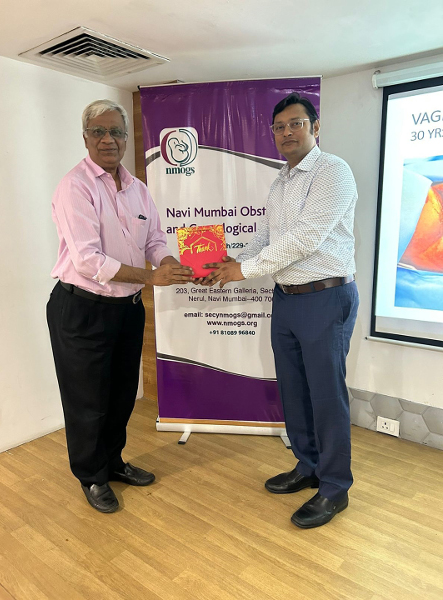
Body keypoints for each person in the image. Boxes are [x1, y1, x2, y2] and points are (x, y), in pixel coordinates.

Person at [203, 92, 359, 529]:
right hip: (287, 298)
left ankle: (335, 487)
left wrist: (242, 270)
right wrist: (229, 261)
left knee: (326, 395)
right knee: (294, 390)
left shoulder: (333, 171)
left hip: (325, 297)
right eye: (279, 127)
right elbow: (267, 238)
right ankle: (308, 466)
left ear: (315, 127)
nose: (286, 132)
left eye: (296, 123)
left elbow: (305, 239)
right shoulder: (281, 181)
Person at [47, 99, 193, 513]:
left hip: (126, 309)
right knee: (87, 401)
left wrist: (167, 261)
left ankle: (113, 462)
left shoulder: (138, 189)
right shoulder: (75, 187)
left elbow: (155, 239)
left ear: (127, 139)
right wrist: (151, 277)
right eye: (99, 131)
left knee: (122, 394)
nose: (108, 139)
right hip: (82, 309)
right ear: (85, 138)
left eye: (116, 132)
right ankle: (91, 476)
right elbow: (87, 260)